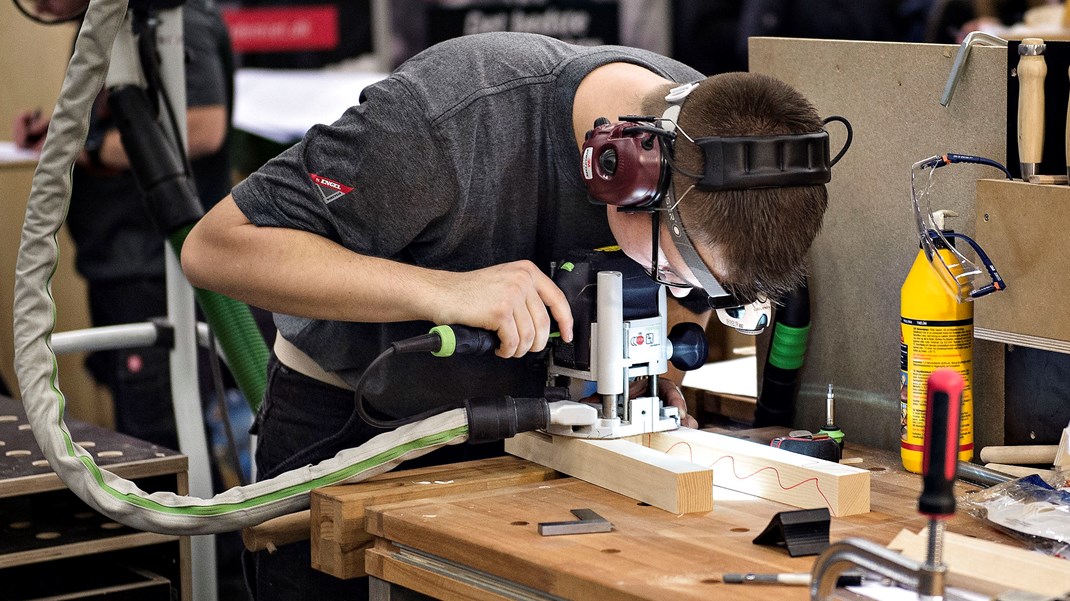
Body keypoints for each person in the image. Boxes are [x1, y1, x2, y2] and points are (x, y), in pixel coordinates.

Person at [181, 31, 829, 600]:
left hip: (528, 434)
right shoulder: (444, 122)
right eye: (675, 273)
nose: (678, 290)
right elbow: (216, 248)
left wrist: (651, 358)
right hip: (356, 427)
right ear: (627, 173)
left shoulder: (716, 131)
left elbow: (690, 278)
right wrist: (445, 293)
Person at [13, 1, 253, 599]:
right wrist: (63, 133)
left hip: (162, 273)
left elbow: (201, 127)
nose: (39, 6)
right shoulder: (106, 27)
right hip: (125, 270)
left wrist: (87, 152)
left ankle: (218, 582)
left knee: (175, 459)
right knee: (155, 446)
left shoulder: (175, 20)